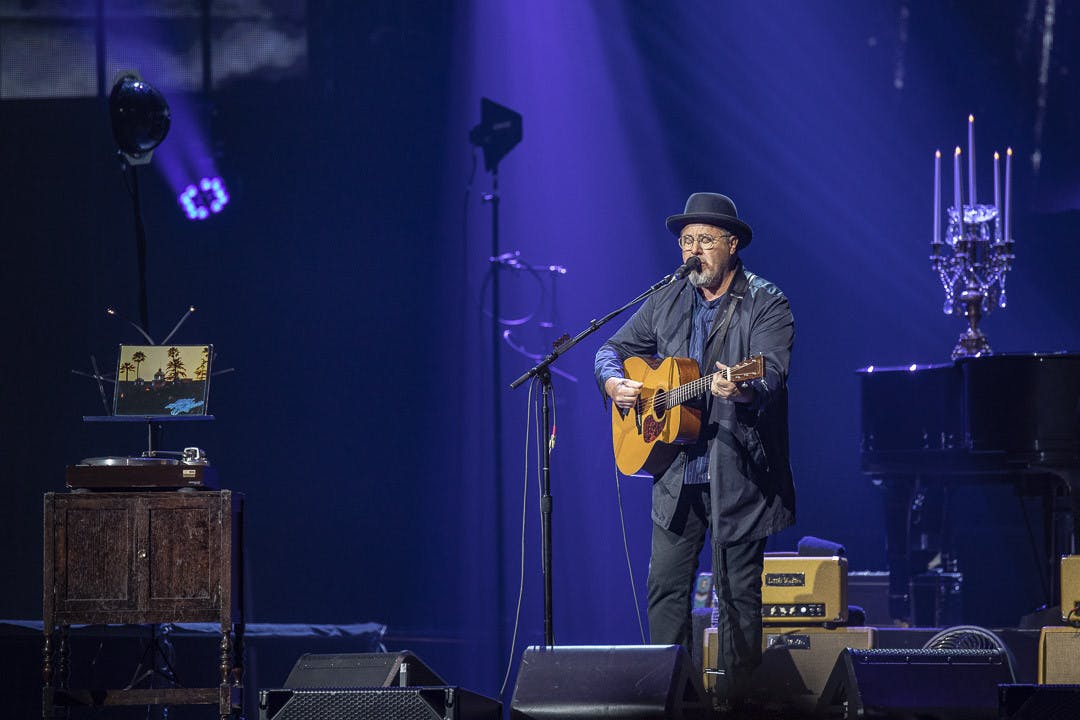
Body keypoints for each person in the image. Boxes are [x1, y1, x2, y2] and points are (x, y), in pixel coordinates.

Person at [594, 192, 795, 705]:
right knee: (664, 590)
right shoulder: (667, 298)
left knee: (737, 601)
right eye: (687, 241)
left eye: (705, 240)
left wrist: (743, 387)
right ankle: (668, 700)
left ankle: (736, 705)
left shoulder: (766, 301)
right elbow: (610, 349)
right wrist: (616, 383)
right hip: (675, 473)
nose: (693, 251)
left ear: (731, 245)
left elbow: (769, 371)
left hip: (740, 472)